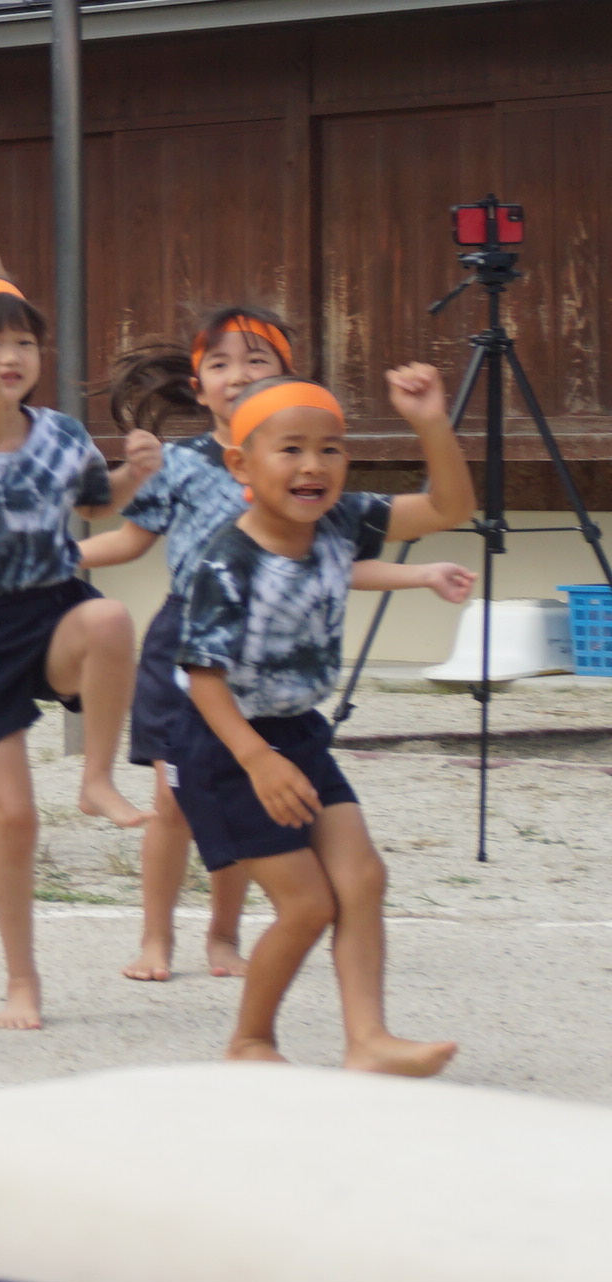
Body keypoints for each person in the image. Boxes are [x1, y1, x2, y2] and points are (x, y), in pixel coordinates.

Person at [87, 305, 466, 984]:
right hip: (189, 640)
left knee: (246, 798)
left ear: (285, 377)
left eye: (257, 360)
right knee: (177, 800)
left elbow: (344, 560)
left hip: (272, 653)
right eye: (221, 363)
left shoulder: (315, 486)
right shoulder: (180, 464)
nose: (239, 375)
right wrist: (59, 557)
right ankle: (156, 939)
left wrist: (418, 569)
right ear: (199, 386)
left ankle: (224, 935)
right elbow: (130, 540)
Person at [174, 369, 473, 1077]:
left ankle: (367, 1040)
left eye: (331, 449)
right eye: (292, 450)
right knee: (307, 905)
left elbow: (447, 506)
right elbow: (202, 678)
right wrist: (256, 759)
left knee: (362, 879)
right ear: (241, 464)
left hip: (298, 733)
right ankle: (250, 1039)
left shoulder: (340, 522)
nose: (314, 466)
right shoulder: (227, 559)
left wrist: (430, 421)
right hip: (227, 748)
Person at [0, 281, 153, 1036]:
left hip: (51, 608)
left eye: (23, 342)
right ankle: (22, 980)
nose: (10, 356)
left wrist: (134, 477)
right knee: (12, 819)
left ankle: (96, 778)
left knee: (110, 616)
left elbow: (92, 504)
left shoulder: (61, 433)